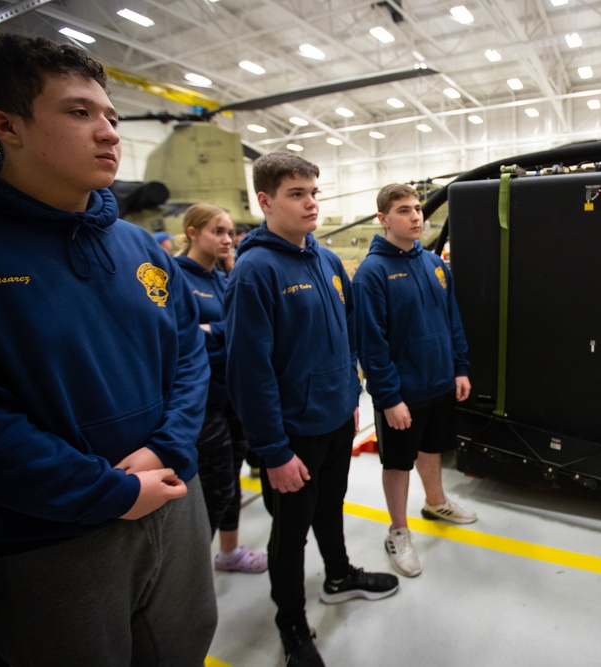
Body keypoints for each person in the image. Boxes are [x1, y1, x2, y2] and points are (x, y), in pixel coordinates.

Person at [0, 33, 217, 665]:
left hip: (173, 495)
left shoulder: (139, 249)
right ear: (7, 126)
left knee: (184, 645)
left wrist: (165, 449)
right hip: (50, 535)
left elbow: (190, 357)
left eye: (111, 115)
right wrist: (107, 492)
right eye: (79, 112)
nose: (110, 132)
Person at [224, 152, 398, 667]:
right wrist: (274, 451)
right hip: (291, 435)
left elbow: (344, 336)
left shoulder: (324, 260)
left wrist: (349, 398)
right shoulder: (254, 271)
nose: (311, 203)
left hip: (335, 417)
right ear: (265, 201)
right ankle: (292, 623)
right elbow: (248, 373)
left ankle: (340, 575)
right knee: (290, 532)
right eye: (297, 194)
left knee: (331, 504)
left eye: (314, 192)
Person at [352, 183, 475, 578]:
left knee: (432, 447)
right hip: (401, 392)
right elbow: (371, 344)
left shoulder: (435, 265)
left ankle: (436, 501)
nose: (415, 217)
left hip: (439, 382)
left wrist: (459, 367)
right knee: (398, 462)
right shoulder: (372, 273)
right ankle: (398, 530)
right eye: (404, 210)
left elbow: (451, 321)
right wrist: (388, 398)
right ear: (383, 219)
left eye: (417, 209)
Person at [174, 203, 268, 573]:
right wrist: (220, 335)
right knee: (216, 488)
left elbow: (242, 330)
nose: (227, 239)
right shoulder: (177, 277)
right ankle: (189, 576)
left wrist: (215, 332)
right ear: (193, 232)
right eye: (218, 231)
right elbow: (180, 337)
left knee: (231, 481)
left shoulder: (224, 278)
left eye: (230, 232)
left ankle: (229, 553)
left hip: (232, 396)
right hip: (201, 401)